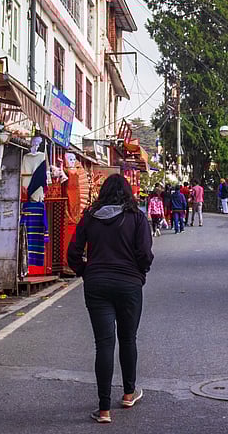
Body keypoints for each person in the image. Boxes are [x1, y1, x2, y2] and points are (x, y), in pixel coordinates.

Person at [65, 174, 153, 424]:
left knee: (104, 344)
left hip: (97, 284)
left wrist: (86, 271)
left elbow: (73, 252)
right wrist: (139, 273)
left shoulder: (90, 217)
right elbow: (145, 253)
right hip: (129, 284)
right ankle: (128, 393)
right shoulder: (136, 217)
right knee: (128, 339)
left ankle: (103, 409)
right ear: (128, 193)